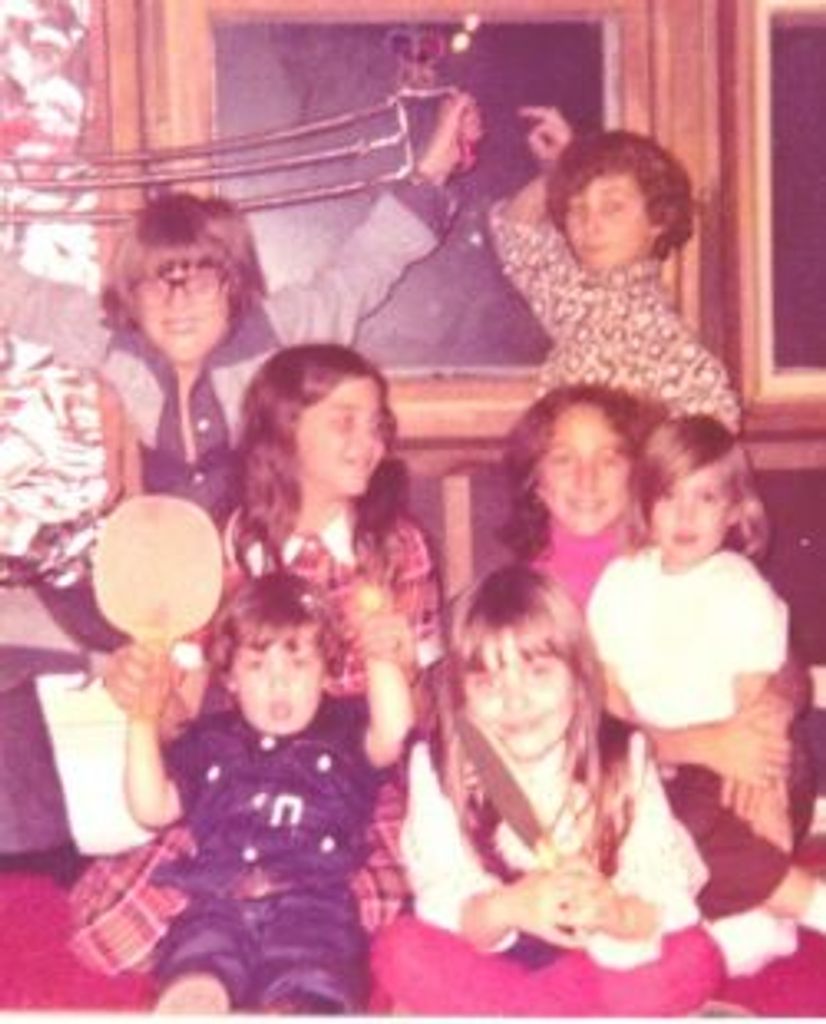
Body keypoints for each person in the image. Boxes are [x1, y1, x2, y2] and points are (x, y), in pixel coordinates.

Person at [0, 92, 478, 854]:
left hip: (248, 601)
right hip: (153, 593)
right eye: (158, 283)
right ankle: (32, 848)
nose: (178, 301)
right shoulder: (116, 345)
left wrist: (431, 173)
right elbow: (24, 298)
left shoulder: (275, 334)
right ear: (130, 298)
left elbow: (361, 270)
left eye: (200, 279)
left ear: (234, 286)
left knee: (206, 737)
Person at [70, 342, 443, 975]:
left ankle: (262, 939)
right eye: (345, 421)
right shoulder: (226, 546)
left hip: (353, 783)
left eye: (377, 423)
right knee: (108, 927)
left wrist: (404, 671)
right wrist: (146, 696)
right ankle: (246, 937)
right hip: (240, 778)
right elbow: (181, 719)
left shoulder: (396, 548)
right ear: (285, 429)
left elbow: (423, 725)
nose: (370, 442)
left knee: (383, 910)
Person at [371, 564, 724, 1016]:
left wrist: (614, 911)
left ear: (579, 679)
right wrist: (511, 907)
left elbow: (662, 882)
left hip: (599, 948)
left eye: (537, 672)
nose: (514, 700)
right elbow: (442, 889)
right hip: (494, 943)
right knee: (400, 950)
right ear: (460, 697)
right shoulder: (440, 765)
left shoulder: (622, 755)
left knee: (696, 956)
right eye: (487, 682)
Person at [588, 414, 822, 973]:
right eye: (669, 496)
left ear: (736, 509)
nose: (686, 515)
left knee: (685, 834)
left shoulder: (739, 588)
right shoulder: (620, 584)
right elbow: (614, 719)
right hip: (659, 764)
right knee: (636, 837)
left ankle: (805, 899)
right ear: (645, 504)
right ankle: (748, 913)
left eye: (707, 497)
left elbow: (757, 718)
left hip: (749, 766)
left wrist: (766, 801)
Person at [121, 570, 413, 1014]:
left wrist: (379, 655)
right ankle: (198, 996)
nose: (280, 683)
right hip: (219, 901)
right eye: (257, 667)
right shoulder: (209, 740)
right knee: (198, 958)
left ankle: (296, 1007)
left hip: (314, 904)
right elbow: (151, 807)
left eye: (299, 664)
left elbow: (394, 733)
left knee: (315, 976)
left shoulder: (345, 731)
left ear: (326, 670)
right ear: (230, 678)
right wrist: (141, 719)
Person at [488, 106, 741, 432]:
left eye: (613, 207)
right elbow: (516, 229)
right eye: (578, 208)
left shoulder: (668, 341)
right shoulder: (574, 298)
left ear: (658, 218)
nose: (591, 224)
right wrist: (558, 169)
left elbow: (716, 430)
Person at [500, 382, 663, 609]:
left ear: (637, 472)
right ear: (534, 479)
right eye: (564, 460)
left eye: (608, 461)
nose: (587, 480)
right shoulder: (521, 594)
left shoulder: (668, 573)